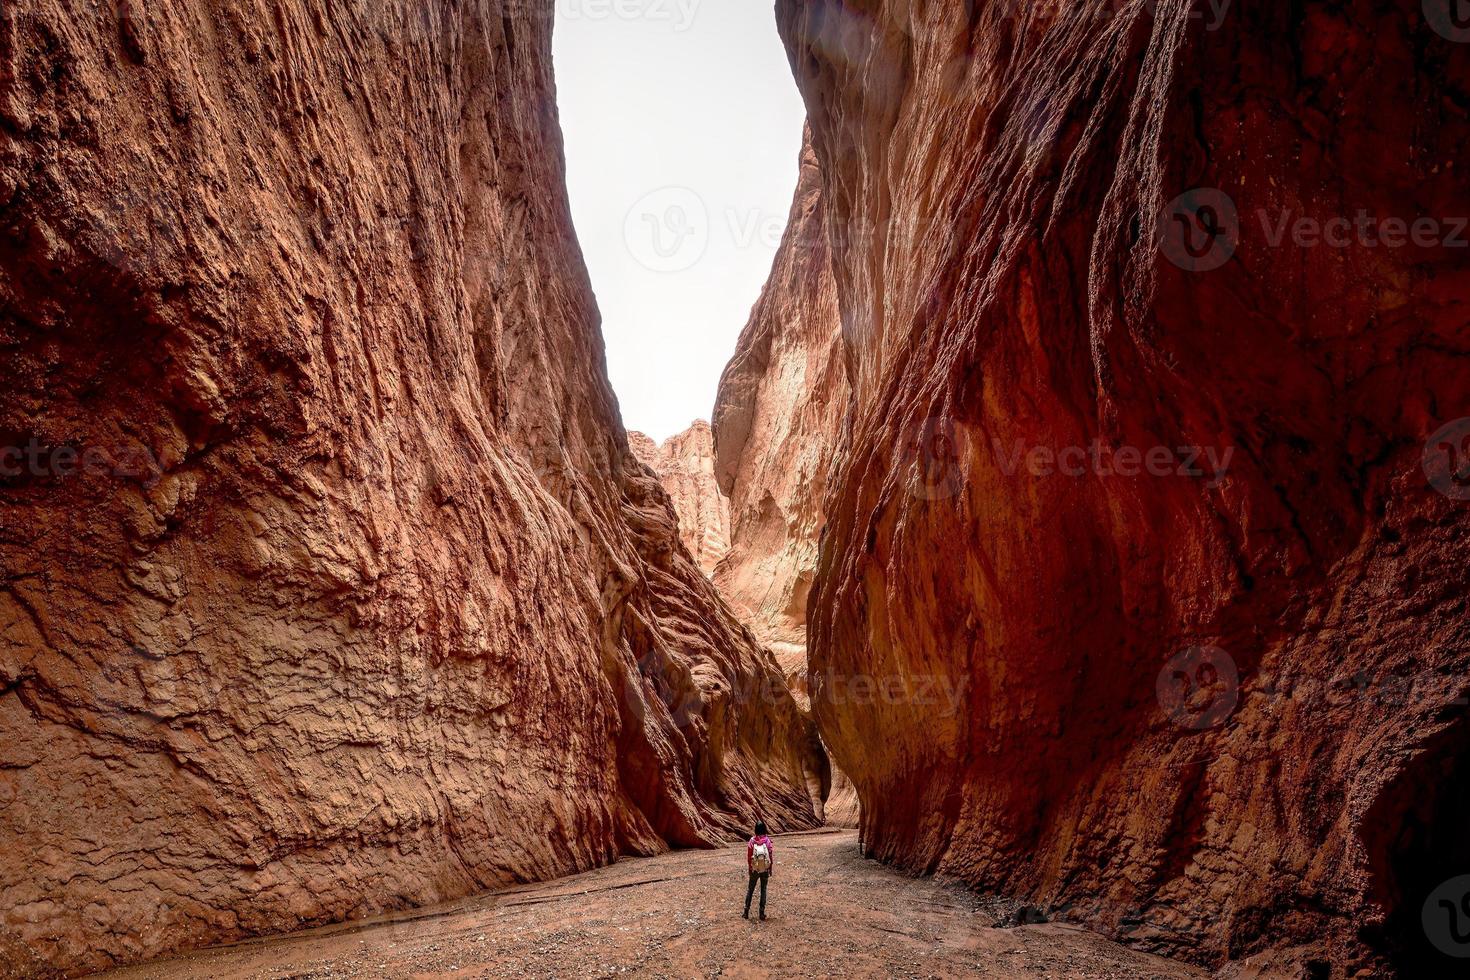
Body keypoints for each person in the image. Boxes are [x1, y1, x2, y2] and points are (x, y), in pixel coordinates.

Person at [744, 820, 773, 920]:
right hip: (764, 869)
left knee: (750, 889)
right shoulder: (767, 841)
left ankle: (746, 911)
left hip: (754, 869)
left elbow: (749, 856)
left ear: (755, 829)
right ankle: (761, 913)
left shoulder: (752, 841)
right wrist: (770, 868)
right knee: (763, 890)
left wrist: (750, 867)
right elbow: (770, 855)